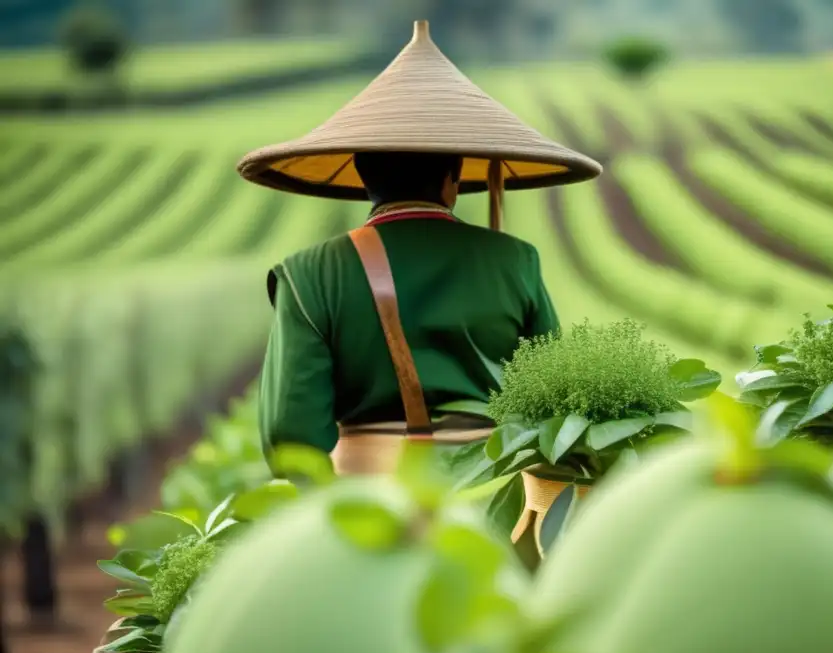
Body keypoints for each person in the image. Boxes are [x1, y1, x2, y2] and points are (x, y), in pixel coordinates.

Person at [236, 20, 601, 473]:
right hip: (491, 490)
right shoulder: (515, 260)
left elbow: (290, 434)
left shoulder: (310, 273)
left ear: (362, 175)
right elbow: (556, 405)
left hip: (369, 504)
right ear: (453, 181)